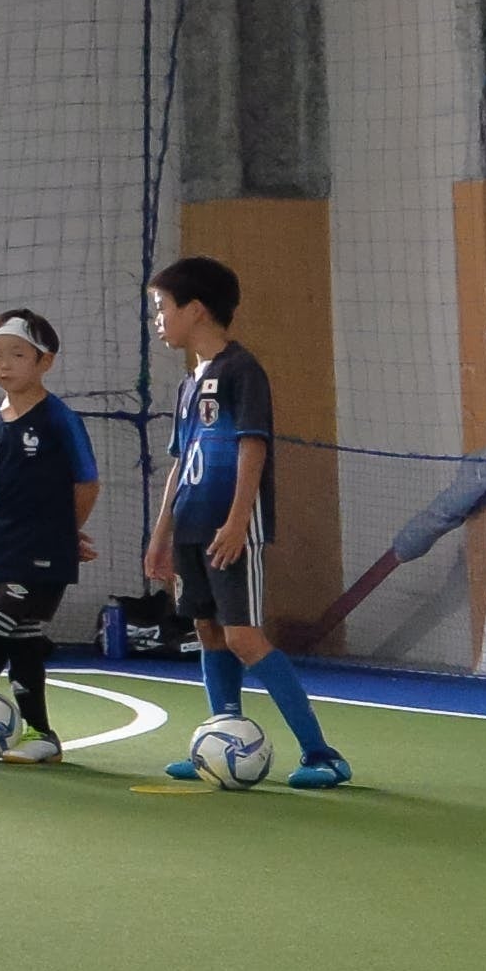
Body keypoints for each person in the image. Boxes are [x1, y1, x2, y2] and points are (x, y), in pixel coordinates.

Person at [147, 256, 348, 790]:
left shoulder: (242, 370)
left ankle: (322, 754)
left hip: (229, 528)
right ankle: (223, 737)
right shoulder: (188, 383)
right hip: (191, 527)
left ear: (196, 309)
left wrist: (238, 521)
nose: (158, 319)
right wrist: (161, 535)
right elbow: (180, 463)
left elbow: (251, 446)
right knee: (209, 632)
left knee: (244, 637)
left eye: (162, 307)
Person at [0, 310, 93, 764]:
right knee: (22, 640)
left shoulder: (59, 418)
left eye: (17, 354)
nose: (4, 364)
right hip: (1, 544)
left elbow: (86, 482)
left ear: (45, 361)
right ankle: (42, 735)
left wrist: (66, 532)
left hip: (44, 549)